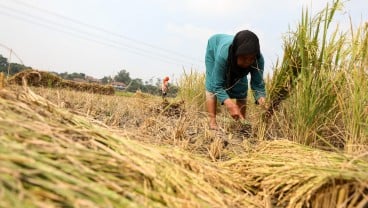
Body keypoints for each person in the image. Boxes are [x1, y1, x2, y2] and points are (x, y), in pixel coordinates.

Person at [205, 30, 266, 130]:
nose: (247, 62)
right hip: (214, 47)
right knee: (212, 84)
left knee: (241, 88)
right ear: (236, 53)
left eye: (251, 59)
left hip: (236, 57)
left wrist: (262, 100)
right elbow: (217, 85)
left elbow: (258, 84)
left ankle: (240, 125)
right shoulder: (223, 55)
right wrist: (229, 104)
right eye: (244, 58)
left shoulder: (258, 59)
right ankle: (212, 122)